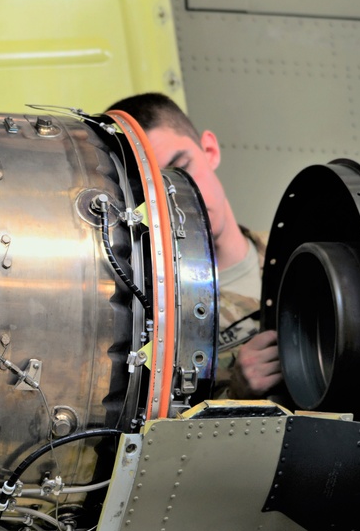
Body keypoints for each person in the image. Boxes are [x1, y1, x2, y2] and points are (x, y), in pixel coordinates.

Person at [106, 93, 281, 398]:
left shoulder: (301, 253)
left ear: (209, 150)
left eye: (182, 168)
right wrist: (236, 397)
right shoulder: (155, 325)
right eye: (157, 191)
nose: (179, 200)